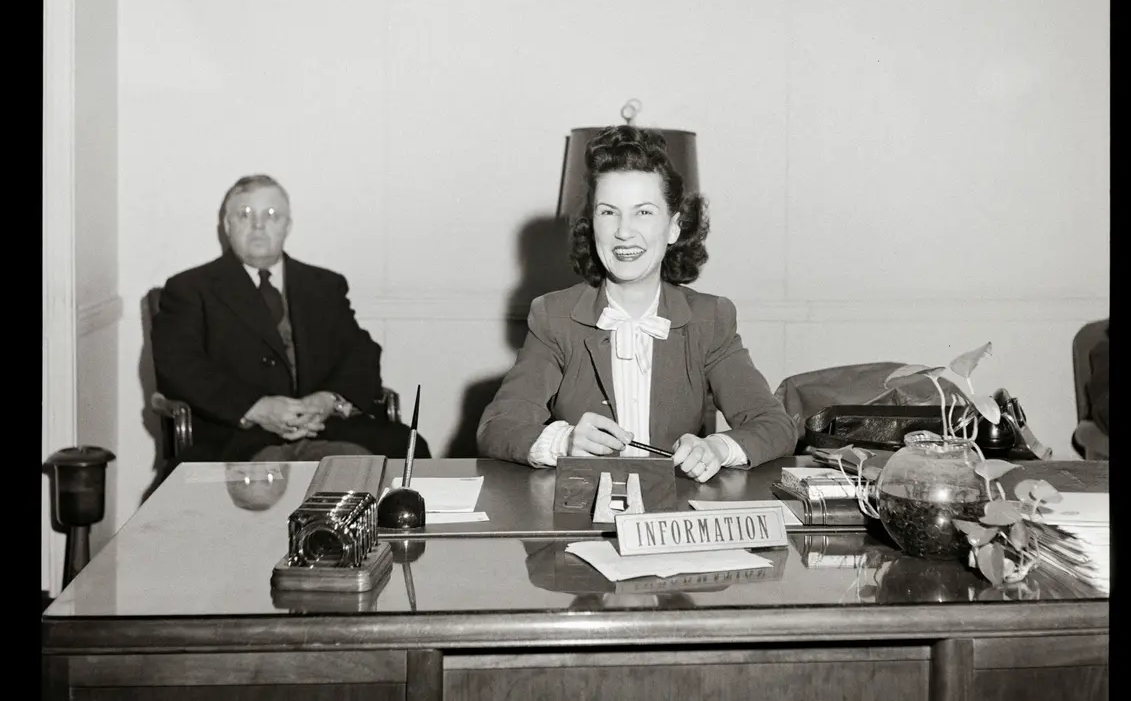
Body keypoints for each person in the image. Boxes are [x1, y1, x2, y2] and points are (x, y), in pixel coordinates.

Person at [477, 127, 796, 481]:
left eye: (643, 212)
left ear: (673, 227)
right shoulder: (554, 316)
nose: (624, 232)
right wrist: (563, 442)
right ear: (592, 224)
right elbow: (497, 427)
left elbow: (775, 425)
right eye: (608, 212)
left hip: (674, 510)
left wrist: (719, 448)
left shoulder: (710, 318)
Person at [152, 174, 428, 463]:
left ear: (287, 226)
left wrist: (328, 400)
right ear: (227, 225)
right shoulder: (190, 289)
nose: (258, 225)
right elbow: (178, 367)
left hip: (328, 427)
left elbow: (360, 353)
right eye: (245, 214)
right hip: (236, 437)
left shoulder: (324, 285)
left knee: (407, 451)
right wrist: (257, 408)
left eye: (272, 215)